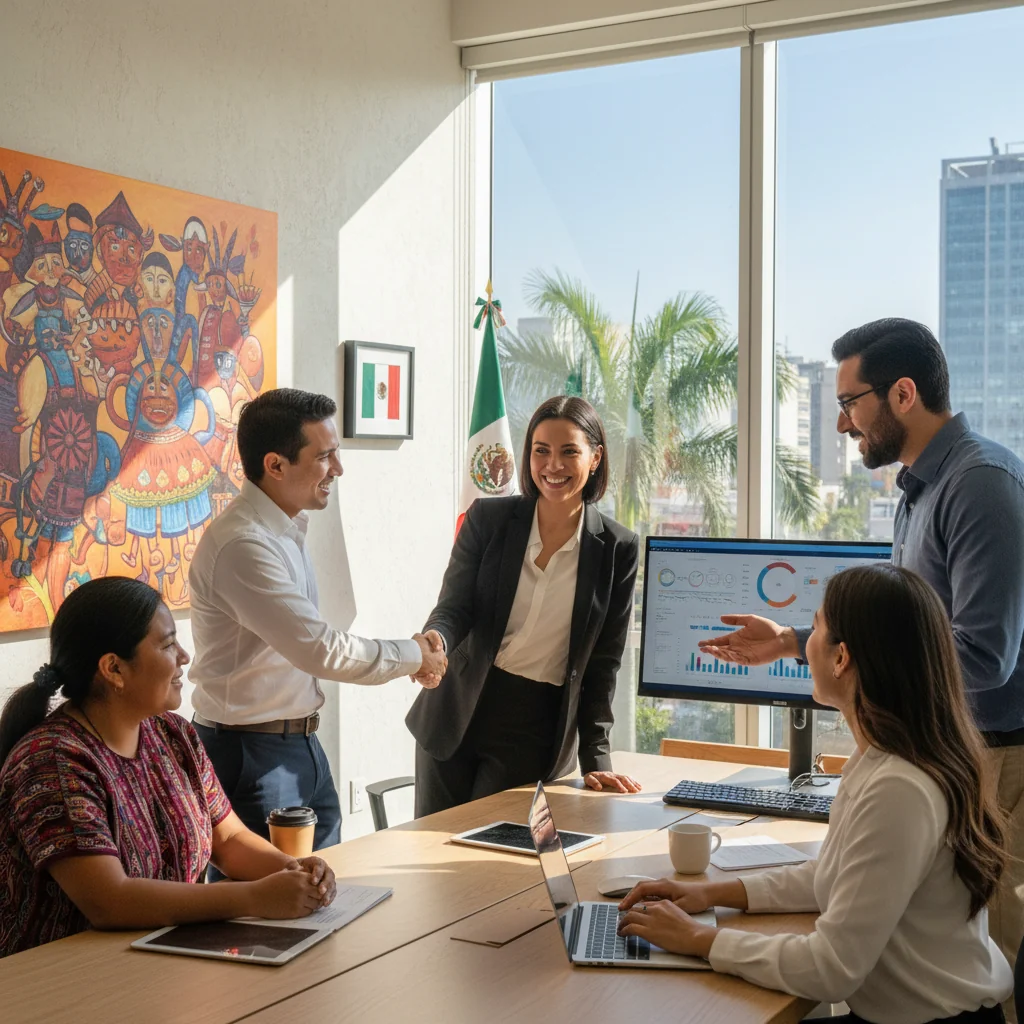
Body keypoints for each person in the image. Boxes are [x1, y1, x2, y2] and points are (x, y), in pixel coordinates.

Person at [698, 318, 1024, 1005]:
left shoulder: (981, 486)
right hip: (947, 747)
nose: (844, 424)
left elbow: (984, 657)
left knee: (982, 969)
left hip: (993, 756)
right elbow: (896, 630)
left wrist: (852, 683)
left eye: (849, 403)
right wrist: (791, 642)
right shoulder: (919, 489)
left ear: (903, 394)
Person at [620, 564, 1012, 1023]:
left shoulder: (899, 789)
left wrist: (701, 940)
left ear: (842, 658)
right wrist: (716, 894)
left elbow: (832, 970)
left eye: (816, 625)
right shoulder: (887, 760)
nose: (805, 642)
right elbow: (834, 875)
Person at [0, 577, 337, 959]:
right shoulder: (52, 761)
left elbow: (227, 840)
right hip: (61, 981)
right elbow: (111, 900)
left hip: (163, 960)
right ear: (113, 669)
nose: (184, 657)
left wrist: (294, 871)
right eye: (167, 644)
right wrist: (254, 897)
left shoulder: (172, 733)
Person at [188, 388, 446, 852]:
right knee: (270, 916)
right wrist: (414, 656)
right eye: (325, 457)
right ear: (276, 465)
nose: (339, 470)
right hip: (251, 756)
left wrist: (414, 656)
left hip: (301, 743)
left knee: (327, 894)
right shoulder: (243, 545)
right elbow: (321, 649)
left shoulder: (285, 528)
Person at [407, 395, 642, 817]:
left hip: (534, 726)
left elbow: (603, 662)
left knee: (496, 861)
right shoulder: (488, 519)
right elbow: (454, 606)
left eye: (570, 451)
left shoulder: (617, 549)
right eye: (541, 451)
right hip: (457, 706)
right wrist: (435, 639)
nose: (553, 466)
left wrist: (597, 759)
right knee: (430, 850)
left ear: (595, 458)